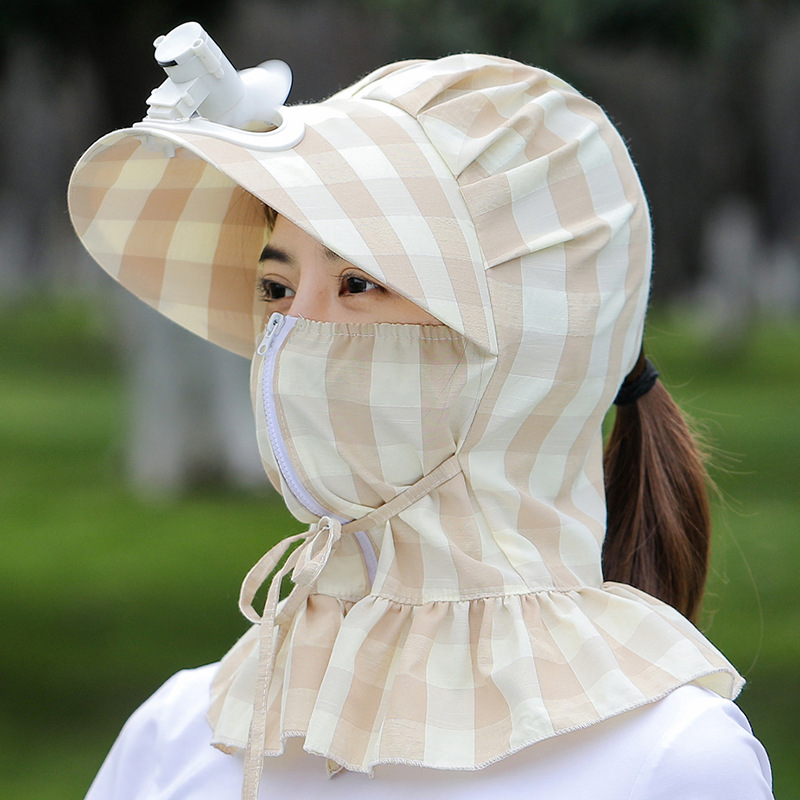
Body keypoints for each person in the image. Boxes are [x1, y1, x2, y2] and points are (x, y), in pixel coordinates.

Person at [67, 22, 773, 800]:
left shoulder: (664, 761)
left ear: (520, 353)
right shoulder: (179, 734)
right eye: (275, 288)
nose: (293, 333)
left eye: (359, 283)